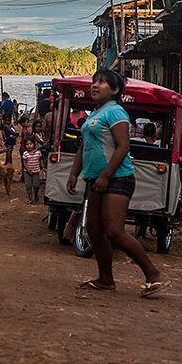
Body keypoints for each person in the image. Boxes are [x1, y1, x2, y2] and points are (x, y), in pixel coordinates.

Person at [66, 69, 167, 297]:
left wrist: (105, 176)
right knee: (94, 231)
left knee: (115, 232)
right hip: (95, 180)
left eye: (101, 82)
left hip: (117, 178)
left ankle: (153, 275)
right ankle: (105, 279)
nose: (94, 85)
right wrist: (74, 172)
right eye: (94, 81)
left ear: (115, 90)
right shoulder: (95, 113)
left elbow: (123, 147)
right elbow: (84, 146)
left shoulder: (116, 112)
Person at [21, 138, 43, 204]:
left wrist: (42, 166)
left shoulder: (38, 153)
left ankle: (36, 195)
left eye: (30, 144)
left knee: (36, 185)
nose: (29, 146)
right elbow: (24, 163)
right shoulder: (25, 154)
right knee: (28, 186)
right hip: (27, 172)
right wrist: (28, 170)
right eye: (27, 144)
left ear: (34, 144)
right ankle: (30, 198)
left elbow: (40, 160)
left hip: (36, 171)